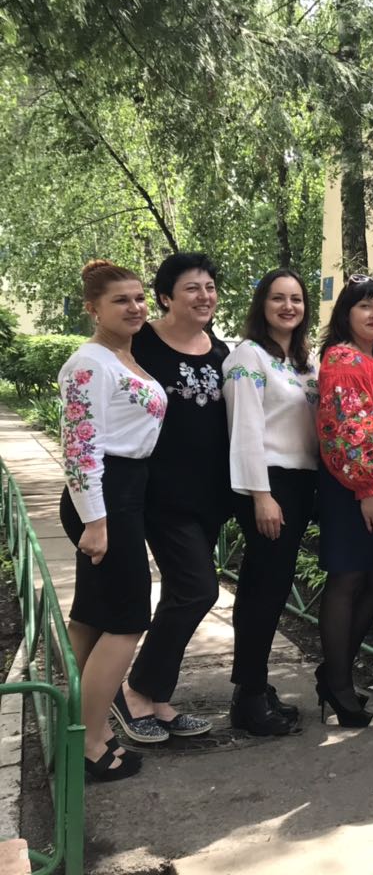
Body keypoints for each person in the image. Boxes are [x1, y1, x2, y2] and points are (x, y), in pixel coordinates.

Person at [112, 252, 228, 744]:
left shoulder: (220, 351)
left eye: (210, 287)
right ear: (165, 297)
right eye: (191, 288)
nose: (204, 296)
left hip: (210, 497)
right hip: (159, 495)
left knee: (184, 592)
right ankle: (134, 691)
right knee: (198, 589)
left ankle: (155, 696)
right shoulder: (140, 344)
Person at [59, 260, 168, 781]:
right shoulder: (89, 363)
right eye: (121, 300)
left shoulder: (123, 355)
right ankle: (90, 744)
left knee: (92, 618)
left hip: (122, 494)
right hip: (105, 499)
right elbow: (81, 448)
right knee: (126, 621)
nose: (135, 307)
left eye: (139, 297)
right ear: (93, 308)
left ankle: (77, 730)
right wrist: (96, 521)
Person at [223, 269, 319, 736]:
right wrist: (261, 495)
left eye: (296, 299)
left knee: (273, 586)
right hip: (268, 484)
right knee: (263, 588)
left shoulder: (303, 361)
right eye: (278, 298)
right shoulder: (249, 356)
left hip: (300, 483)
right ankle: (249, 698)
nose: (288, 306)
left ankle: (256, 686)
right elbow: (244, 428)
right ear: (262, 304)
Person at [314, 274, 373, 728]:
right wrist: (366, 488)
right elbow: (344, 426)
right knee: (348, 577)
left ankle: (334, 674)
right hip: (355, 479)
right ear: (346, 312)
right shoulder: (344, 358)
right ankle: (339, 684)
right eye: (365, 306)